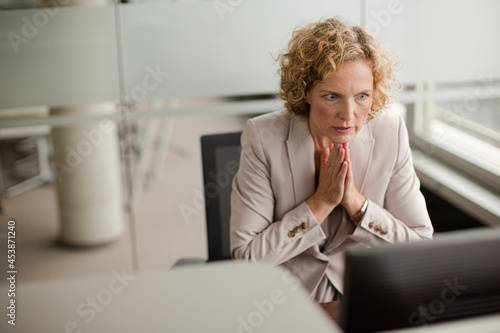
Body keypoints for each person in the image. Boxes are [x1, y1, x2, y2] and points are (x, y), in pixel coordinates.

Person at [230, 17, 433, 303]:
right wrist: (320, 203)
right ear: (306, 93)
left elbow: (421, 247)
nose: (348, 114)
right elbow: (248, 257)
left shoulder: (391, 133)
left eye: (362, 96)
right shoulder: (264, 137)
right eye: (332, 96)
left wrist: (356, 204)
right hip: (283, 303)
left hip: (367, 299)